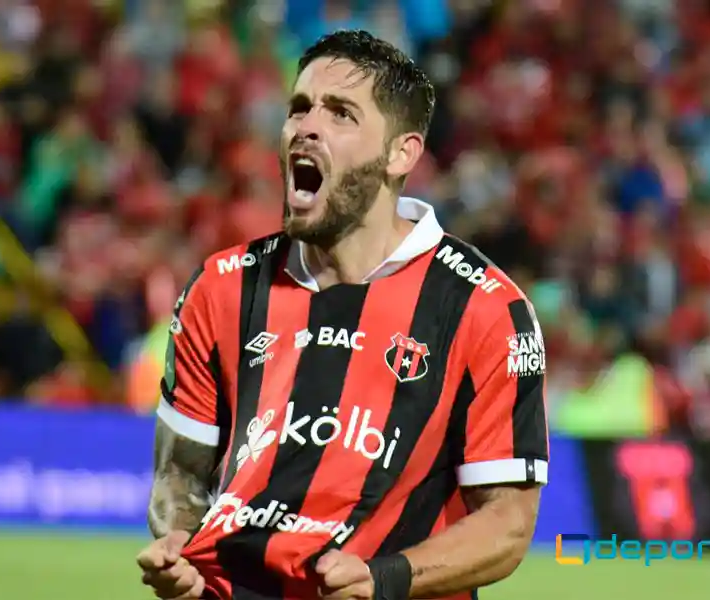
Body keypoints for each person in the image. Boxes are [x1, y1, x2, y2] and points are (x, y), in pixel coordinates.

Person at [136, 30, 549, 600]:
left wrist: (386, 578)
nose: (306, 126)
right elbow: (179, 473)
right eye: (299, 108)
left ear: (400, 153)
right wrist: (179, 547)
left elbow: (508, 524)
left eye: (341, 114)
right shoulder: (223, 287)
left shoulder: (483, 307)